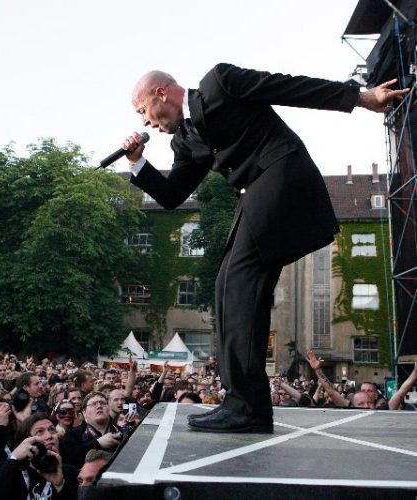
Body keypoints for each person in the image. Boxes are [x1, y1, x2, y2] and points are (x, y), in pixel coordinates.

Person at [122, 63, 408, 433]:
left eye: (142, 110)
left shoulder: (219, 83)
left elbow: (288, 88)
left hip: (282, 173)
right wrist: (137, 163)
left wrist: (360, 97)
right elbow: (173, 194)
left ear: (161, 94)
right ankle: (243, 403)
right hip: (254, 195)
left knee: (237, 282)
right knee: (227, 287)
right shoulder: (185, 142)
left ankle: (247, 407)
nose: (145, 121)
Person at [0, 413, 78, 499]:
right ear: (26, 441)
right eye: (40, 431)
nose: (49, 436)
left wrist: (60, 486)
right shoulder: (4, 470)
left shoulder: (69, 472)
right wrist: (13, 459)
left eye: (52, 429)